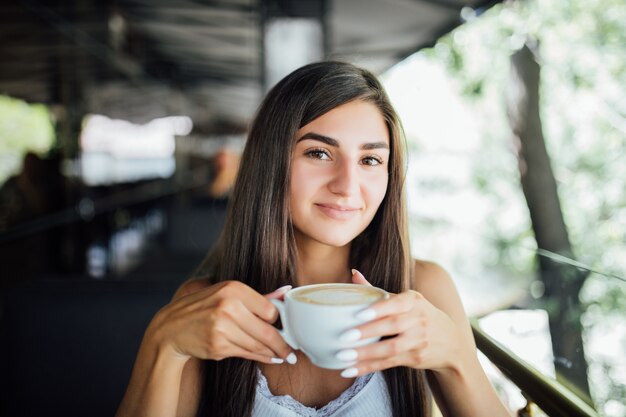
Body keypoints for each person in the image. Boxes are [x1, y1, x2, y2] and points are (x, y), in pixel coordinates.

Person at [116, 61, 511, 417]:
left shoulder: (423, 290)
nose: (347, 185)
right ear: (272, 162)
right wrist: (162, 345)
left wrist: (457, 358)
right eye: (319, 153)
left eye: (370, 160)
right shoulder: (207, 306)